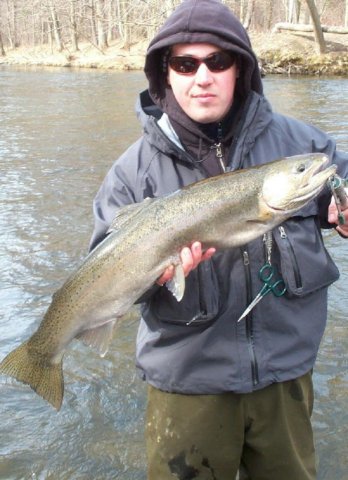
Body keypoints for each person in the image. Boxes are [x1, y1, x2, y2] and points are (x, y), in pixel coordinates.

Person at [89, 1, 348, 478]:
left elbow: (338, 188)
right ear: (166, 74)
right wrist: (156, 275)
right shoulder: (132, 173)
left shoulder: (305, 149)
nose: (201, 77)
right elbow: (106, 274)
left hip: (285, 377)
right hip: (187, 385)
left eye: (217, 61)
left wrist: (343, 210)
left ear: (241, 69)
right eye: (185, 64)